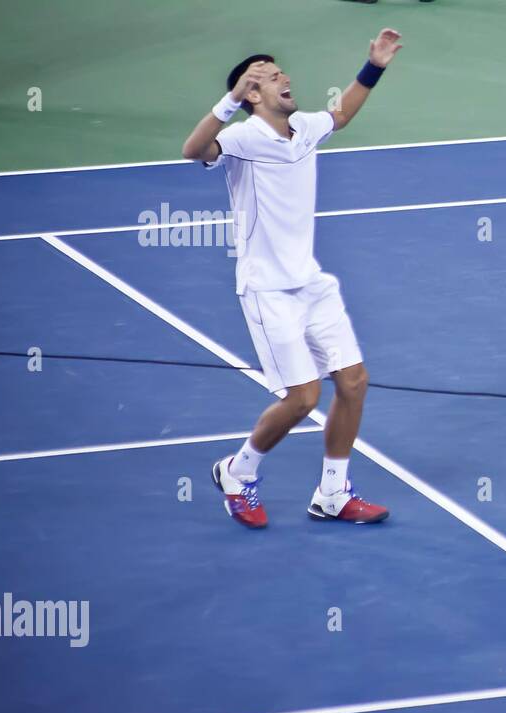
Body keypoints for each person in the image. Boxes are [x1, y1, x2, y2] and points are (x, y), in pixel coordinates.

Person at [180, 29, 404, 528]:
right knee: (303, 397)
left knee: (353, 381)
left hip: (311, 282)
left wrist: (375, 65)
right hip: (266, 288)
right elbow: (192, 149)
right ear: (250, 95)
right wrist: (230, 99)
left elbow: (341, 114)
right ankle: (238, 471)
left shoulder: (303, 127)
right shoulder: (240, 138)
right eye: (267, 77)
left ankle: (332, 493)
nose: (282, 77)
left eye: (280, 71)